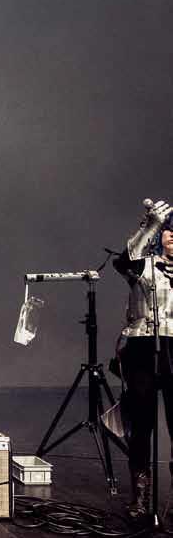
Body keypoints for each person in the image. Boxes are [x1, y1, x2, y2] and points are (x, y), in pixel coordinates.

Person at [112, 199, 172, 520]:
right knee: (141, 424)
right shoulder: (144, 265)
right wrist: (149, 226)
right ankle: (140, 497)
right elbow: (123, 262)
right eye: (169, 230)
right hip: (143, 347)